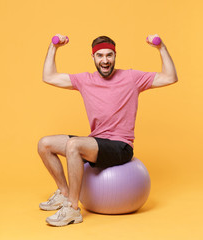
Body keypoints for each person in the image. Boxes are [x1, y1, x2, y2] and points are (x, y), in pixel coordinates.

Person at [38, 34, 178, 227]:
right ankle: (64, 193)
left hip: (120, 147)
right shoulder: (84, 80)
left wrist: (160, 47)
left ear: (115, 56)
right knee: (44, 144)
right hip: (96, 143)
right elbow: (49, 76)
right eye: (100, 55)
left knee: (74, 145)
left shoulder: (132, 78)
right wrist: (54, 47)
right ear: (93, 58)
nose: (105, 60)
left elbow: (170, 77)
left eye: (109, 55)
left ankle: (73, 209)